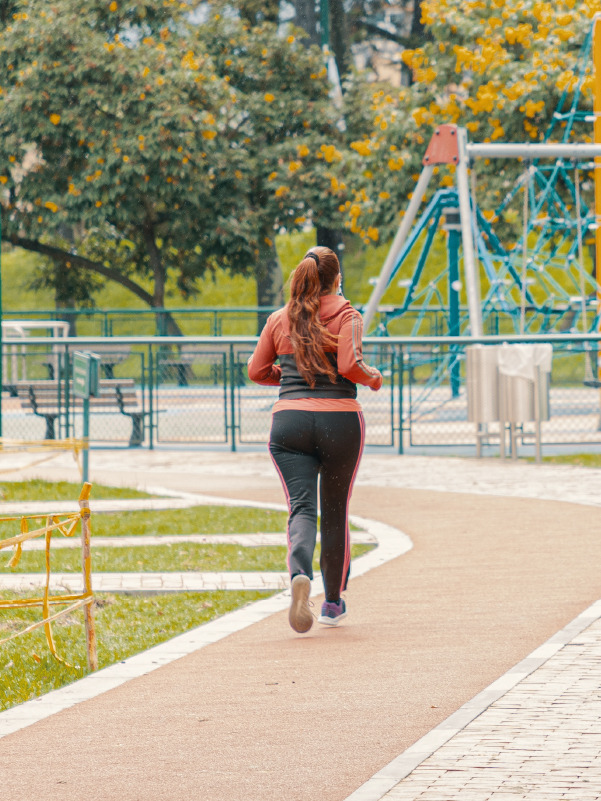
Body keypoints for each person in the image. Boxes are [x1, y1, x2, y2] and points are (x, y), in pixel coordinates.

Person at [247, 246, 383, 634]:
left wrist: (288, 379)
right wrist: (373, 377)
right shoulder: (347, 316)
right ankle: (333, 603)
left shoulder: (280, 318)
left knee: (302, 508)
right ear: (337, 279)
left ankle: (298, 575)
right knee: (336, 511)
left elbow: (256, 370)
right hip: (339, 422)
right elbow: (349, 366)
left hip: (289, 422)